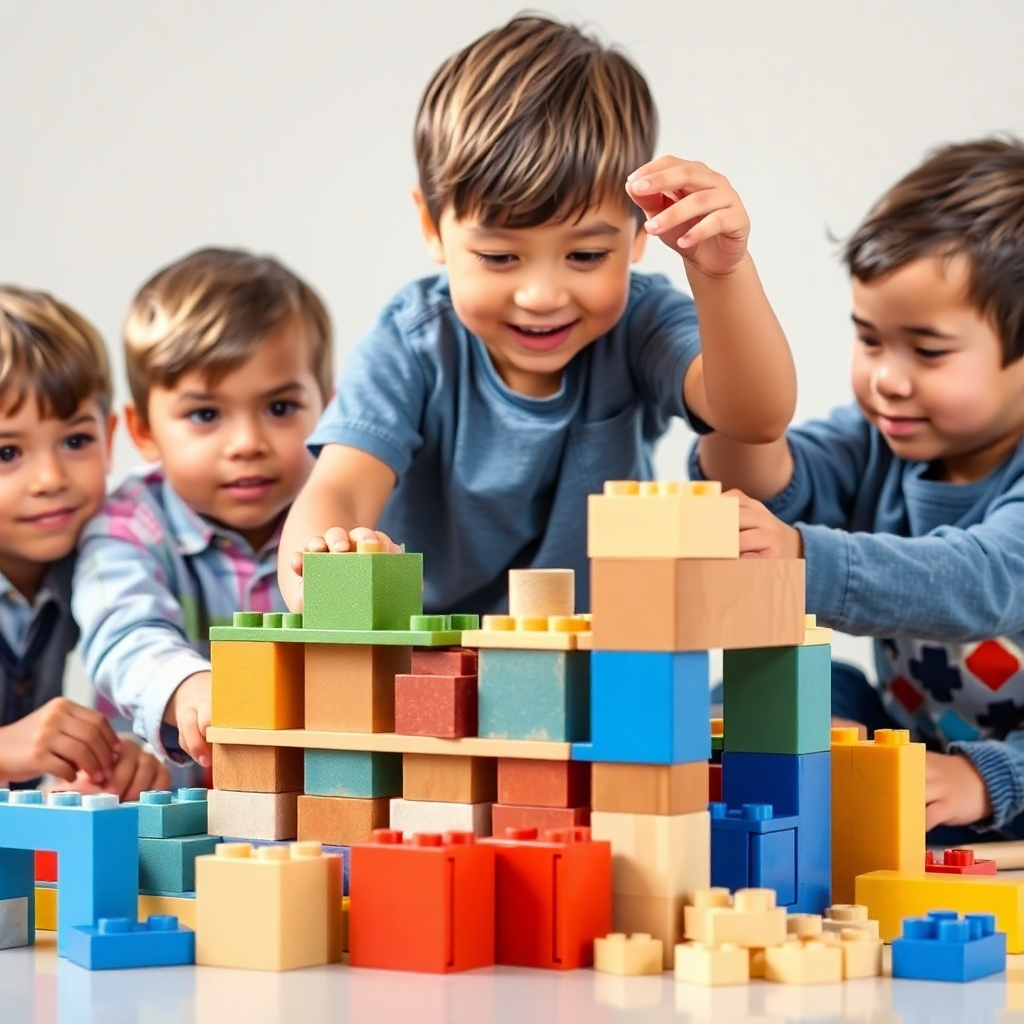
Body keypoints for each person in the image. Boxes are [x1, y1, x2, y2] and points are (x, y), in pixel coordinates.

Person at [279, 14, 796, 619]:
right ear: (431, 227)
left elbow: (755, 416)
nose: (542, 295)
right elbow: (338, 487)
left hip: (590, 658)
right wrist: (327, 566)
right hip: (433, 664)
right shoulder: (413, 343)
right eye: (499, 256)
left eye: (585, 255)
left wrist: (720, 275)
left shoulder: (641, 323)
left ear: (638, 235)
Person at [694, 138, 1024, 839]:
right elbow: (769, 472)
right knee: (767, 691)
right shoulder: (880, 436)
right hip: (917, 735)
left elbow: (981, 578)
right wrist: (721, 291)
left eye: (928, 351)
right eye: (871, 340)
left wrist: (986, 776)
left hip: (1003, 763)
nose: (888, 379)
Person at [74, 249, 332, 769]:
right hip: (158, 803)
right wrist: (188, 685)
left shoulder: (332, 517)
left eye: (280, 408)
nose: (246, 442)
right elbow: (121, 628)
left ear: (328, 410)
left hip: (304, 803)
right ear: (144, 429)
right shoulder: (128, 525)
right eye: (205, 414)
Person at [0, 286, 169, 798]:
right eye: (7, 452)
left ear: (110, 435)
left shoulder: (98, 560)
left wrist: (111, 762)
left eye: (76, 441)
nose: (50, 478)